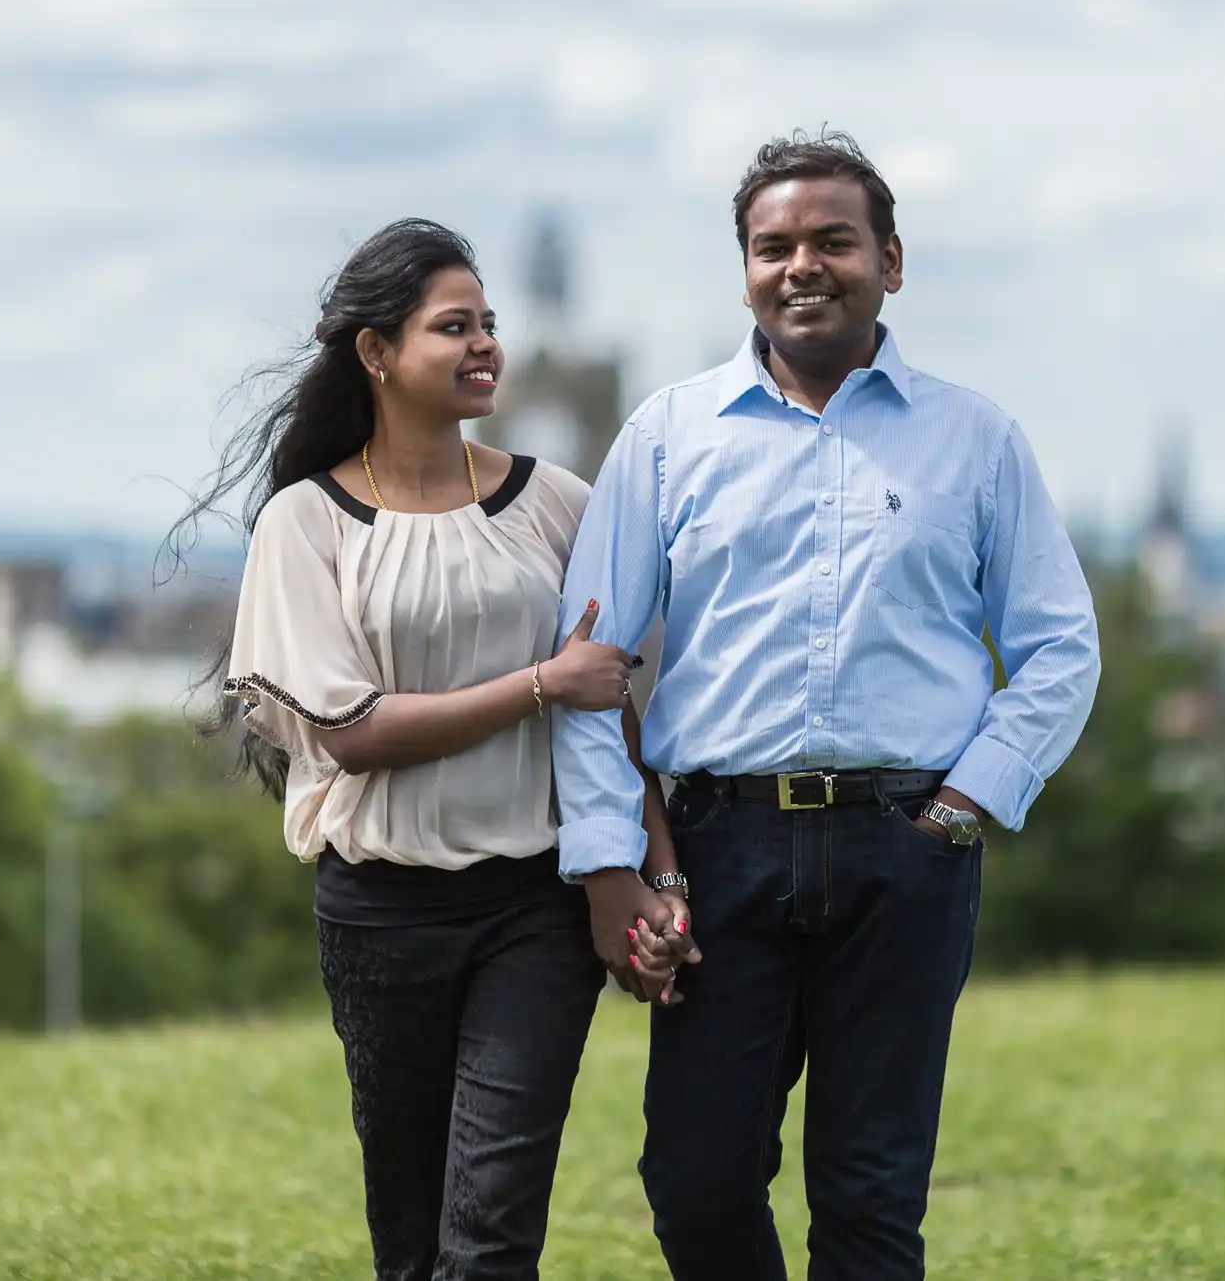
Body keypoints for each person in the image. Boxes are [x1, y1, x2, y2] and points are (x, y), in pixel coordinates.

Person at [552, 132, 1102, 1280]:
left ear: (889, 262)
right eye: (773, 246)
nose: (802, 264)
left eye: (832, 241)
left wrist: (963, 806)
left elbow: (1059, 645)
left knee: (868, 1198)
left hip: (903, 851)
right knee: (695, 1183)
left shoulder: (975, 440)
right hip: (715, 852)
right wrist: (612, 863)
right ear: (746, 270)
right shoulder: (666, 437)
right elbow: (588, 667)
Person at [184, 219, 690, 1281]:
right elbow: (351, 731)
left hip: (532, 909)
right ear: (375, 352)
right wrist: (539, 683)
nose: (483, 345)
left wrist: (654, 868)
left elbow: (611, 707)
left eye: (488, 324)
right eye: (451, 326)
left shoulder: (556, 503)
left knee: (492, 1233)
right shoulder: (304, 525)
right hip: (379, 915)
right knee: (409, 1240)